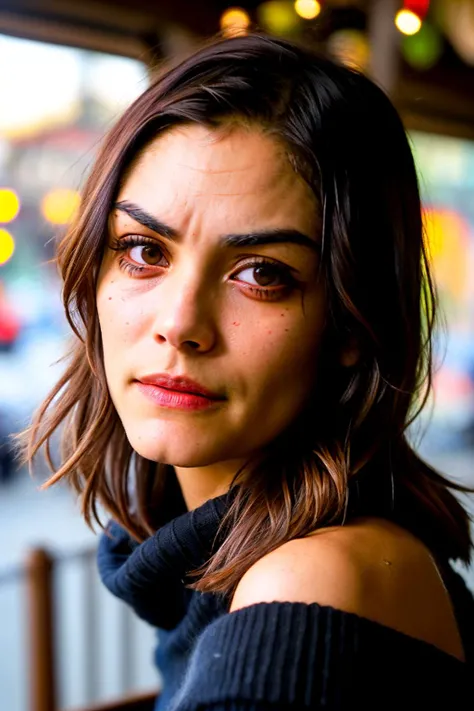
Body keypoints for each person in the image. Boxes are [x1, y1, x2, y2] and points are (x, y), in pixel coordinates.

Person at [22, 33, 474, 709]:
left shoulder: (314, 585)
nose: (180, 322)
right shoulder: (269, 561)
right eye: (144, 250)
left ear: (352, 325)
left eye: (262, 273)